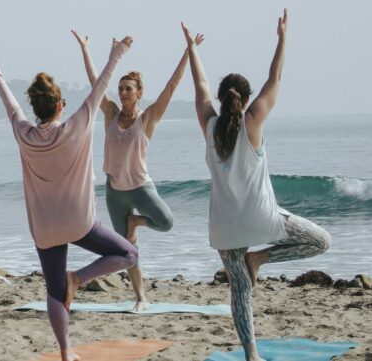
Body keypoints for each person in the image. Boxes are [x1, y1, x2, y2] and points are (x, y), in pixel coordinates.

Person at [0, 36, 139, 361]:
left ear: (36, 109)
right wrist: (117, 53)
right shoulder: (76, 127)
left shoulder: (23, 133)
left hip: (45, 229)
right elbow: (101, 87)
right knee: (129, 254)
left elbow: (9, 103)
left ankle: (66, 353)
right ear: (60, 105)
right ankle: (78, 278)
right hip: (79, 223)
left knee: (53, 292)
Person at [183, 10, 330, 361]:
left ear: (221, 99)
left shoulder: (209, 126)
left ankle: (251, 355)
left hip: (225, 227)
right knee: (321, 242)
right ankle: (261, 256)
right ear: (246, 100)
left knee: (240, 291)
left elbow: (199, 87)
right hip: (263, 219)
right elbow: (275, 77)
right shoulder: (254, 121)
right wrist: (282, 38)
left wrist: (192, 49)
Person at [71, 29, 203, 311]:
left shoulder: (149, 118)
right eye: (120, 88)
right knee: (128, 253)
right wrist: (85, 49)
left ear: (139, 92)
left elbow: (171, 86)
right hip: (115, 192)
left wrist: (188, 51)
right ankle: (141, 297)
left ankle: (137, 222)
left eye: (128, 88)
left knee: (166, 221)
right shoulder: (109, 113)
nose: (122, 92)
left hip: (141, 189)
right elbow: (97, 83)